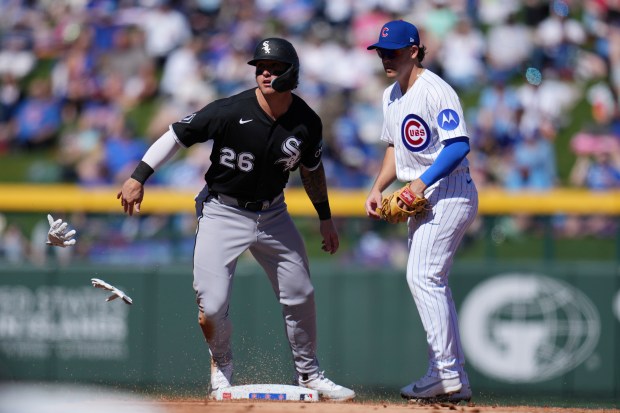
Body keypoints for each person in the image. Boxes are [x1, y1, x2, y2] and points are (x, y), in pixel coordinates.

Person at [116, 37, 355, 402]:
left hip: (273, 213)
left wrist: (325, 218)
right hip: (223, 210)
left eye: (273, 68)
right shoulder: (231, 110)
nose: (264, 73)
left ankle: (309, 374)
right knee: (210, 306)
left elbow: (312, 170)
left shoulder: (307, 121)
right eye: (260, 67)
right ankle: (222, 365)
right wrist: (138, 176)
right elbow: (176, 136)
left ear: (291, 74)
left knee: (301, 293)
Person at [364, 20, 478, 403]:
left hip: (449, 190)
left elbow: (458, 146)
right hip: (423, 194)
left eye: (393, 52)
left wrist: (418, 183)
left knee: (423, 276)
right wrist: (379, 186)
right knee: (431, 280)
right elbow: (394, 149)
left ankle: (446, 373)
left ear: (414, 51)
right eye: (381, 52)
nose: (386, 59)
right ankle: (449, 374)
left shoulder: (436, 91)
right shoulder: (390, 96)